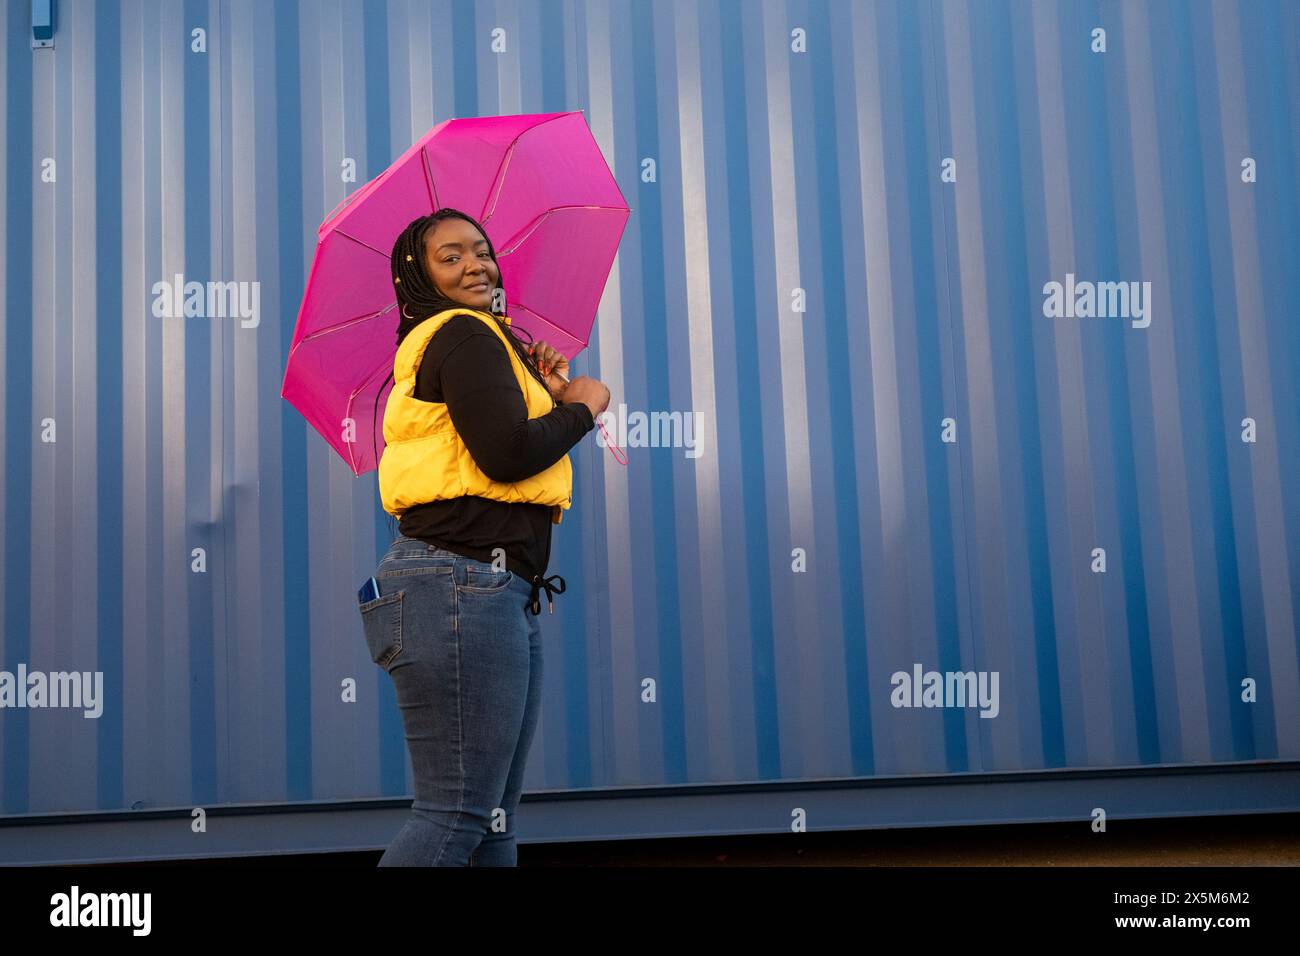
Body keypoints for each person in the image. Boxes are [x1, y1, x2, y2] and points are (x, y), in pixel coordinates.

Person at [359, 209, 610, 866]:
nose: (475, 265)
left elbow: (498, 446)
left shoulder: (477, 340)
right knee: (455, 815)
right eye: (450, 256)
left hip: (486, 590)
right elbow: (505, 454)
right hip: (459, 588)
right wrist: (583, 406)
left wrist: (551, 393)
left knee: (490, 821)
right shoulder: (464, 335)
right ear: (420, 276)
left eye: (481, 250)